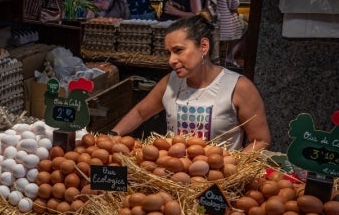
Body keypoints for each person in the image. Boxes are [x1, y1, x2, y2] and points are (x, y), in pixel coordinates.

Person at [110, 16, 270, 152]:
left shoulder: (238, 86)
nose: (171, 60)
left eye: (178, 50)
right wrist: (114, 134)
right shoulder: (170, 82)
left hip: (217, 184)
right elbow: (140, 112)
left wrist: (230, 169)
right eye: (169, 53)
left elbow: (260, 140)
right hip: (174, 177)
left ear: (203, 47)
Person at [207, 0, 246, 68]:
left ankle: (217, 58)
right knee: (245, 28)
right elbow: (233, 5)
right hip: (226, 23)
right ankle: (230, 56)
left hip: (213, 20)